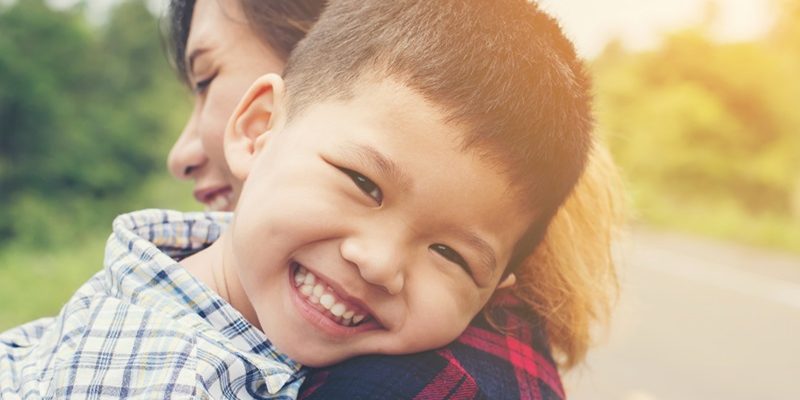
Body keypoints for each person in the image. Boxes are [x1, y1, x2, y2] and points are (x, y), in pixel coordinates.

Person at [0, 0, 621, 399]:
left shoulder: (435, 379)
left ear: (497, 290)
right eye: (363, 183)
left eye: (451, 255)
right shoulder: (160, 370)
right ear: (258, 127)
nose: (379, 262)